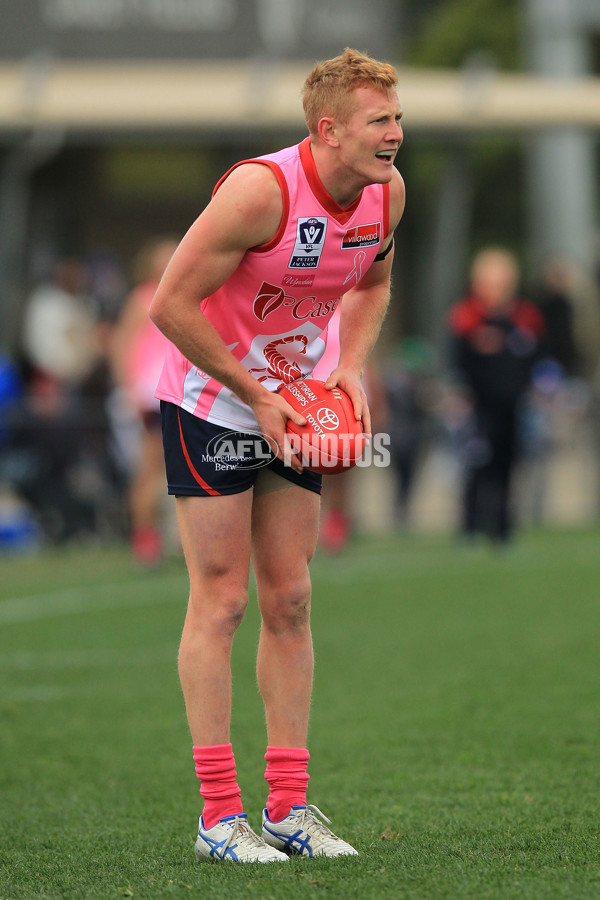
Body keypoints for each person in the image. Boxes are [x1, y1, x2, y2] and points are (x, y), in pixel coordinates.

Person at [150, 47, 405, 863]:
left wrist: (352, 371)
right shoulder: (261, 190)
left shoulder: (384, 195)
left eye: (398, 118)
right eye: (380, 122)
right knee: (221, 601)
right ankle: (217, 818)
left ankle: (289, 809)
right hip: (214, 397)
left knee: (290, 598)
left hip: (294, 403)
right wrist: (253, 392)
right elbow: (170, 305)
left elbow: (370, 285)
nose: (396, 135)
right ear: (328, 131)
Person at [447, 248, 545, 544]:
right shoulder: (467, 317)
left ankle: (503, 529)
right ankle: (471, 527)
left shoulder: (526, 317)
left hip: (515, 406)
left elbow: (539, 359)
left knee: (508, 466)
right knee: (477, 466)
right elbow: (458, 361)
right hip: (477, 408)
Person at [110, 238, 178, 566]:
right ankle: (145, 536)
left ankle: (177, 537)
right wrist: (128, 389)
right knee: (151, 466)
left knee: (189, 465)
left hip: (182, 389)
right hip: (153, 392)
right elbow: (123, 344)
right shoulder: (142, 299)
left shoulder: (188, 291)